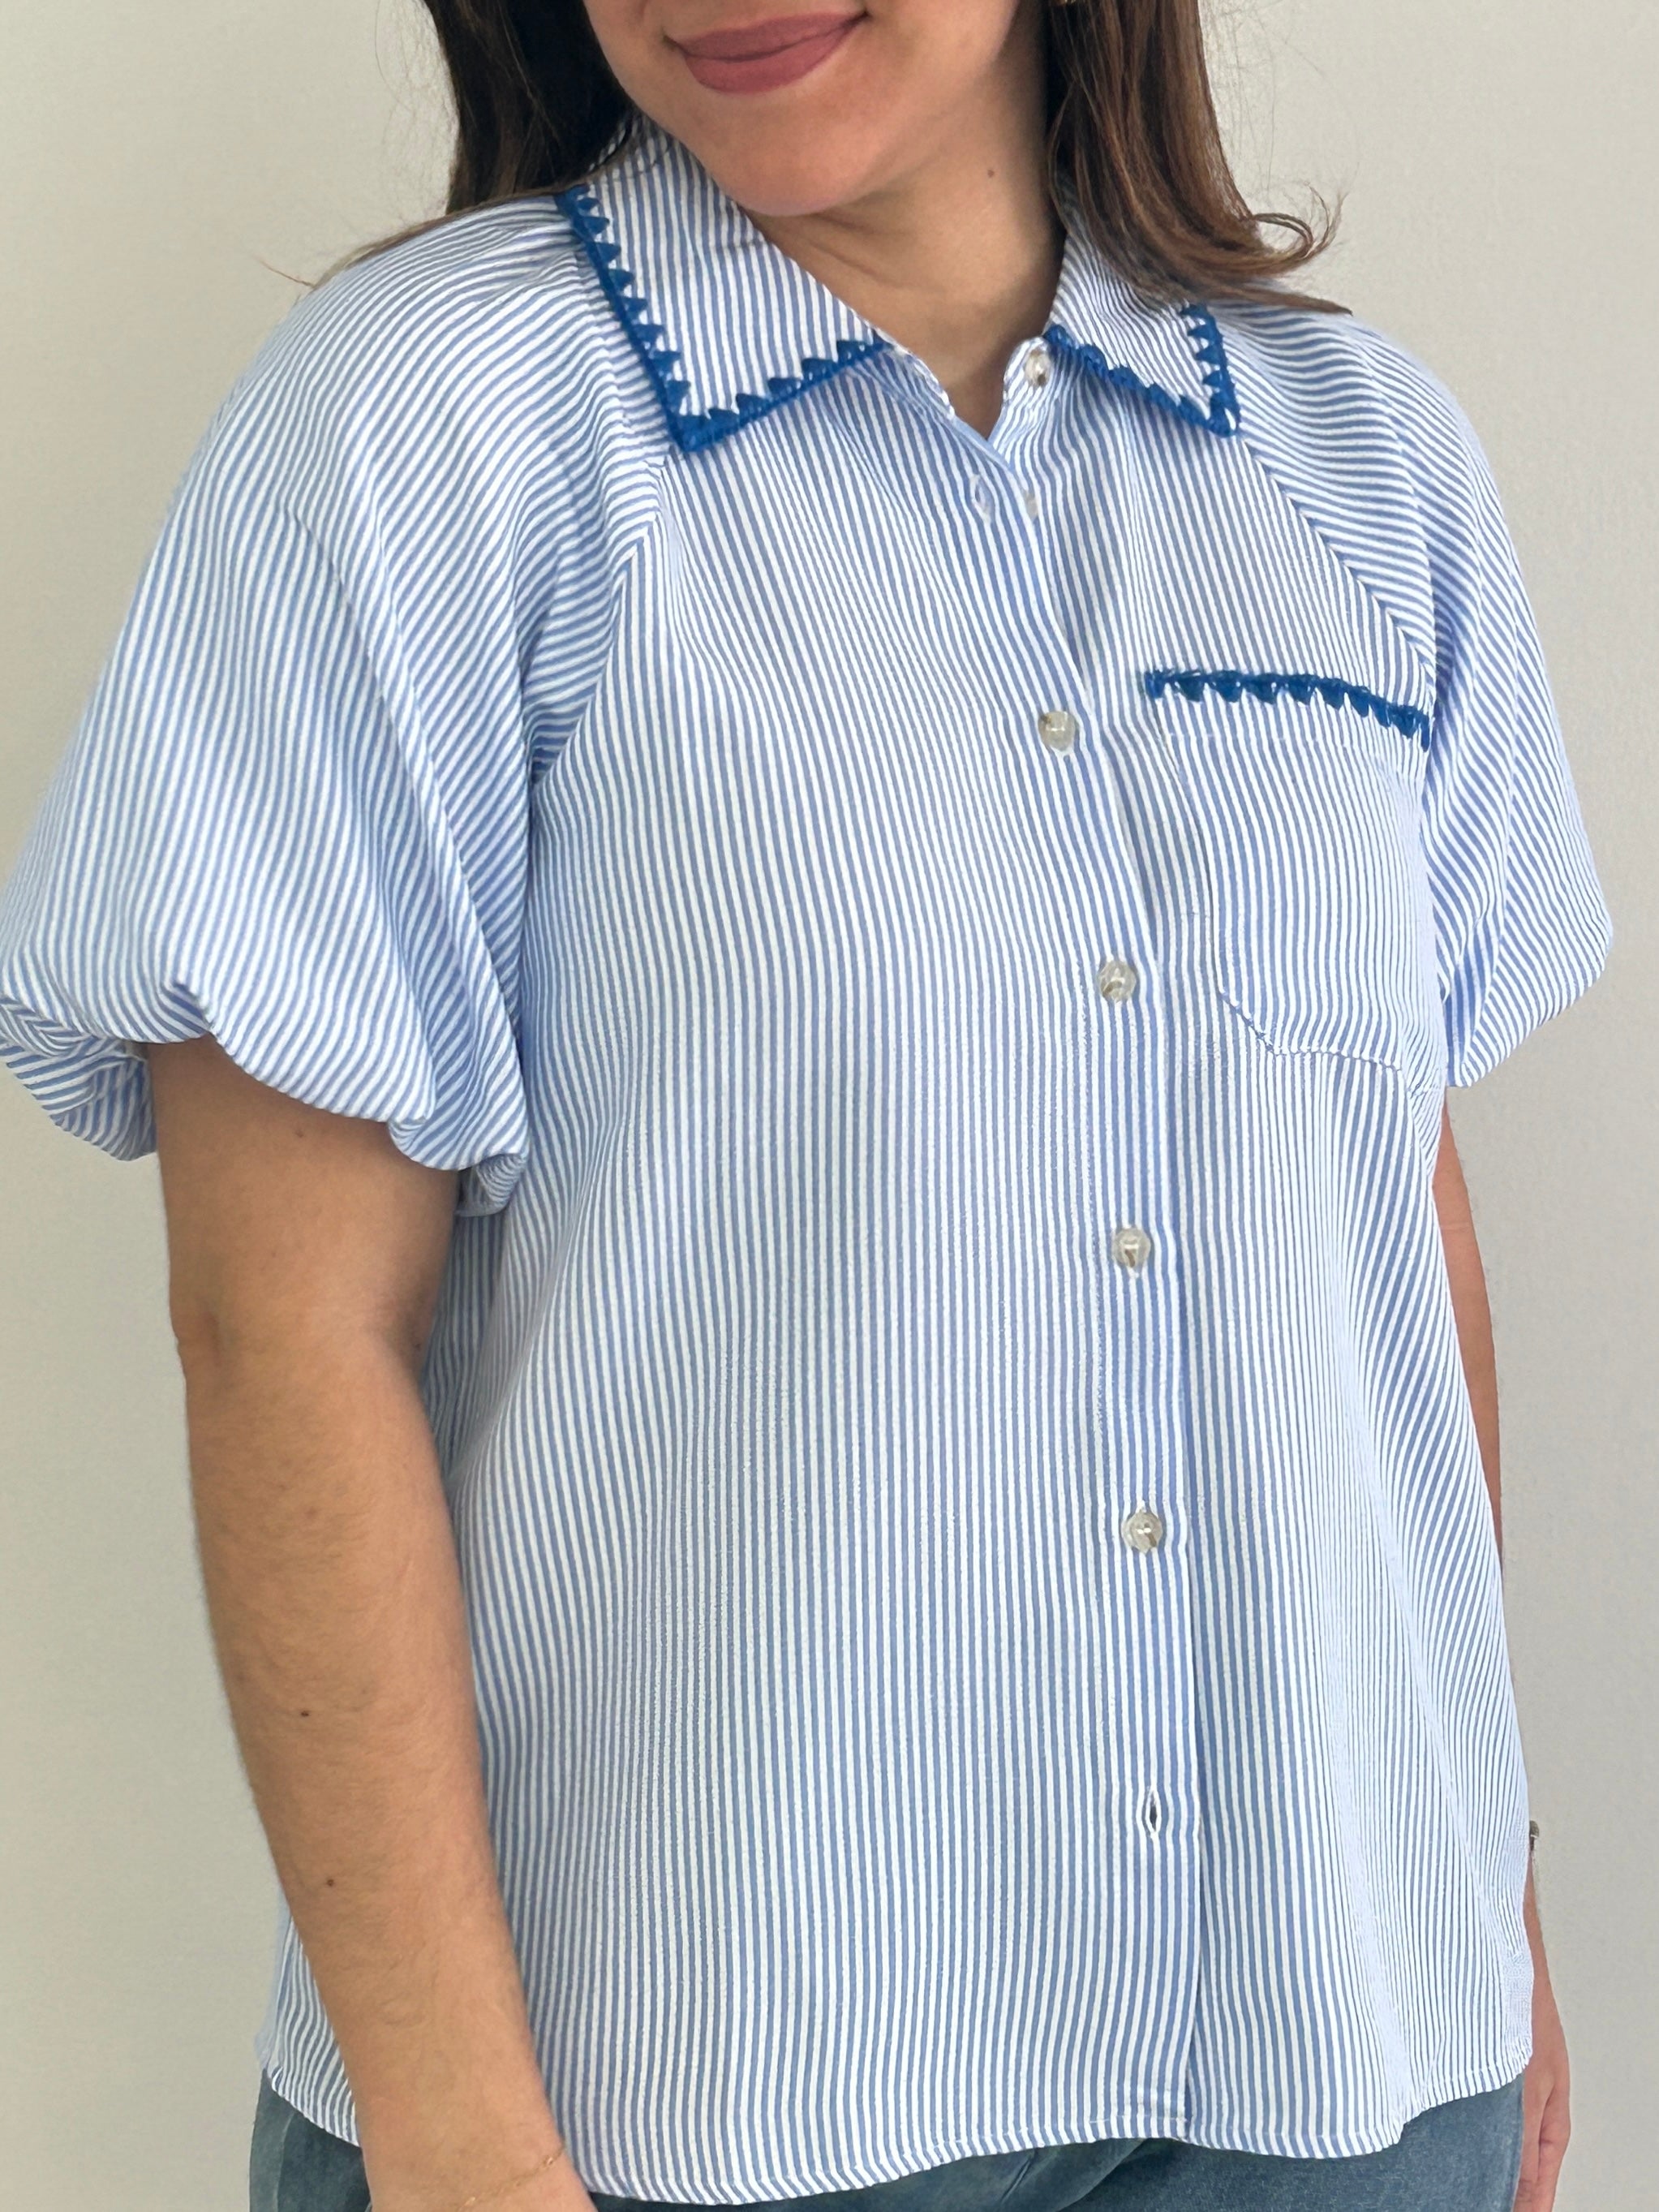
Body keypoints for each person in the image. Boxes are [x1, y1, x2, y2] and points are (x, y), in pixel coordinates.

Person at [0, 0, 1612, 2207]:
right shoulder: (427, 427)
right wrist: (459, 2143)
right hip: (678, 2101)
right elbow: (285, 1337)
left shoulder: (1364, 464)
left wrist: (1485, 1891)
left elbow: (1383, 1212)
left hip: (1348, 2068)